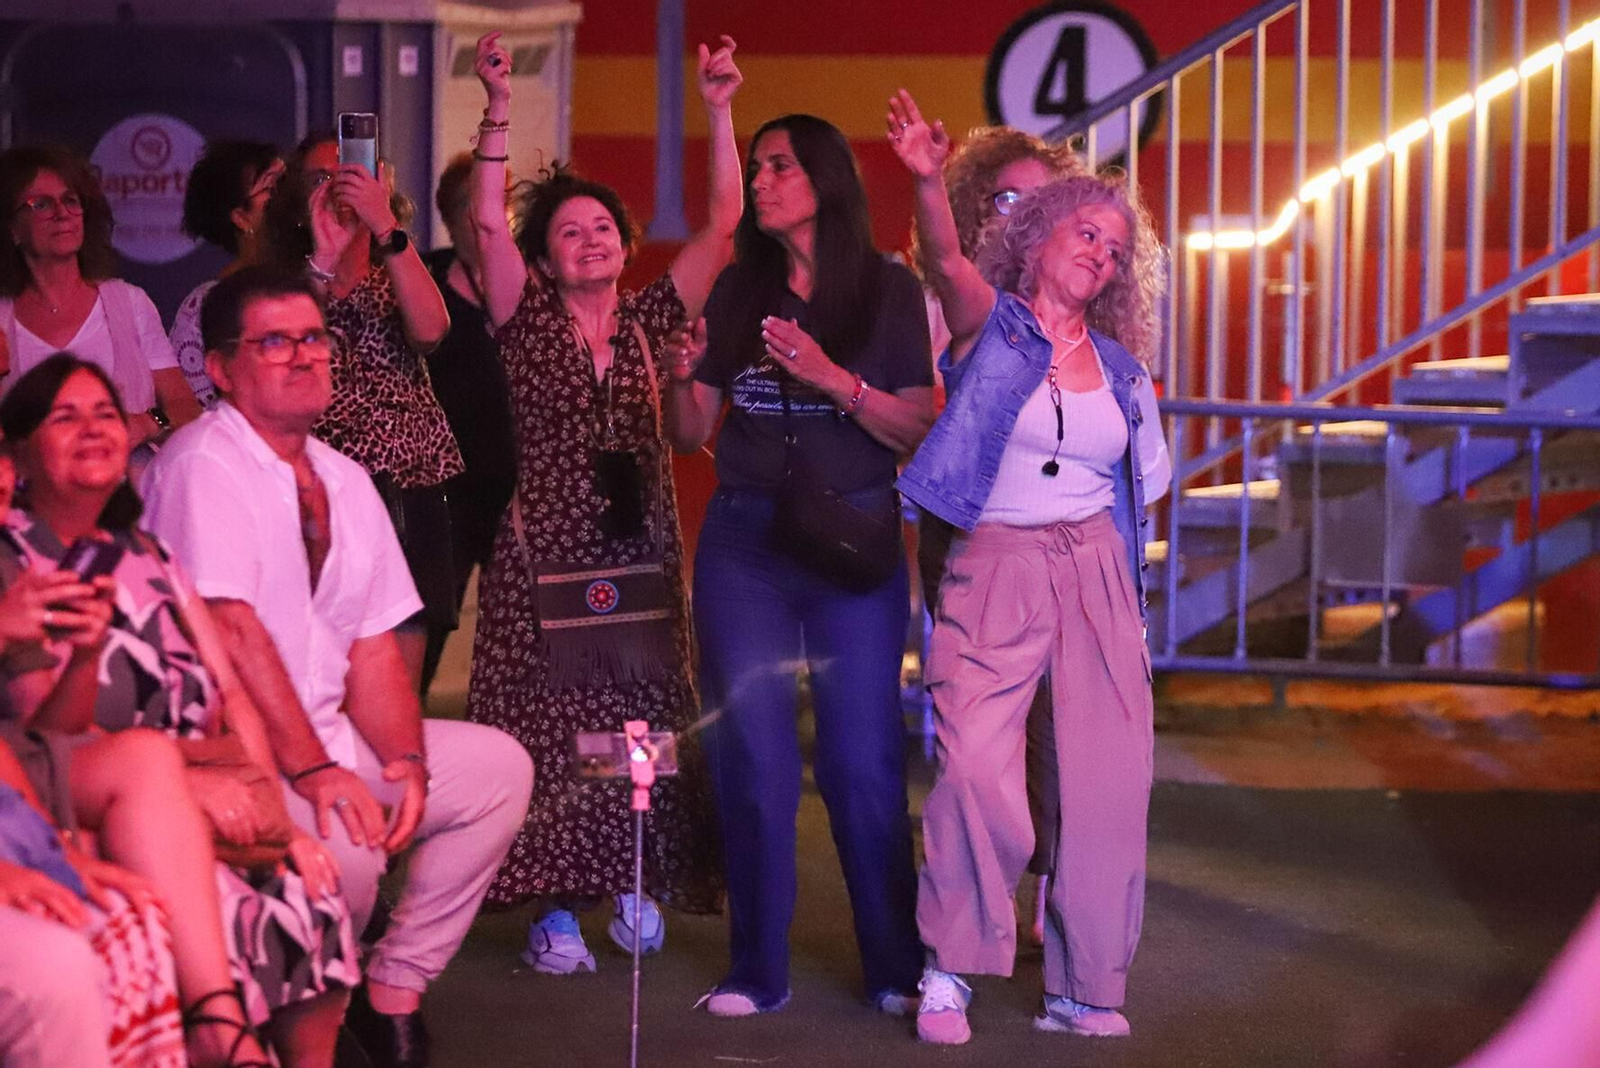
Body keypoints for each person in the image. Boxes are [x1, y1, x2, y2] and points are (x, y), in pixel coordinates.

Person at [140, 266, 533, 1068]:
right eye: (274, 342)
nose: (303, 355)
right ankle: (285, 1026)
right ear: (219, 368)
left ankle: (390, 991)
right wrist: (319, 770)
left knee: (496, 769)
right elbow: (232, 633)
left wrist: (404, 759)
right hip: (233, 757)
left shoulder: (347, 478)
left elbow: (372, 643)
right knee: (347, 853)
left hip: (328, 744)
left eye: (314, 337)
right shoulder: (201, 462)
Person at [887, 89, 1171, 1044]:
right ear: (1041, 235)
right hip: (995, 562)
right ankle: (954, 968)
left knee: (1105, 779)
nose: (1100, 253)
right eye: (1085, 233)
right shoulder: (989, 325)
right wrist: (929, 180)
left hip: (1092, 563)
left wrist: (1117, 597)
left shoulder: (1124, 372)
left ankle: (1084, 985)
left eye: (1115, 249)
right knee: (973, 768)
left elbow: (1145, 488)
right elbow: (944, 260)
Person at [462, 30, 737, 973]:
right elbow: (488, 226)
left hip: (640, 559)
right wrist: (498, 104)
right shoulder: (523, 315)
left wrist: (719, 108)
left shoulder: (657, 318)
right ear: (544, 258)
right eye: (569, 231)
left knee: (637, 727)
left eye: (604, 227)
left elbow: (723, 226)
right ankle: (550, 909)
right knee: (541, 727)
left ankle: (630, 873)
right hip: (542, 563)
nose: (591, 238)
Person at [0, 354, 359, 1067]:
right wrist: (191, 788)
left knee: (308, 889)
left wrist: (275, 816)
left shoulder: (146, 554)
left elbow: (234, 702)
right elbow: (53, 742)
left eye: (105, 413)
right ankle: (223, 1032)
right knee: (217, 902)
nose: (93, 429)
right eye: (64, 418)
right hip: (128, 796)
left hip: (181, 782)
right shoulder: (14, 558)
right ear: (19, 458)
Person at [660, 112, 935, 1017]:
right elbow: (692, 433)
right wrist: (679, 374)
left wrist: (830, 378)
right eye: (755, 164)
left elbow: (916, 429)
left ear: (823, 177)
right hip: (746, 546)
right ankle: (756, 971)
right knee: (754, 757)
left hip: (853, 544)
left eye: (778, 164)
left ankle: (896, 967)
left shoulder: (886, 292)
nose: (764, 178)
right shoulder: (739, 290)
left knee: (860, 762)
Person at [908, 118, 1087, 948]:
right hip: (975, 542)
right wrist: (924, 177)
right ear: (978, 212)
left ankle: (1053, 889)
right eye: (1003, 198)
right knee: (979, 744)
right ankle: (972, 909)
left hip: (1074, 551)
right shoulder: (959, 302)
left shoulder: (1096, 307)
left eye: (1036, 200)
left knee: (1063, 736)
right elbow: (944, 265)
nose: (1019, 214)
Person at [261, 133, 457, 689]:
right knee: (321, 671)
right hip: (317, 494)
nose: (343, 187)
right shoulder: (285, 285)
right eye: (324, 178)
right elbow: (285, 339)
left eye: (358, 173)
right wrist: (324, 257)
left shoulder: (398, 267)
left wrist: (385, 229)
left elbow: (431, 331)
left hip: (408, 489)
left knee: (401, 683)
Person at [0, 145, 201, 441]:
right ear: (12, 229)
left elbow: (187, 409)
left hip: (130, 483)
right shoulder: (2, 317)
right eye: (41, 204)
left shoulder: (130, 304)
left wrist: (146, 423)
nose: (62, 214)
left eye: (71, 200)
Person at [417, 153, 516, 692]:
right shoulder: (421, 279)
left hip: (518, 496)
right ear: (449, 217)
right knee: (426, 630)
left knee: (517, 644)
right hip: (443, 497)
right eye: (471, 207)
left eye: (499, 204)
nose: (486, 218)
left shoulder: (536, 282)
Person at [170, 140, 286, 409]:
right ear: (240, 217)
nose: (288, 197)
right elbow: (190, 413)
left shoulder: (322, 274)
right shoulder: (204, 307)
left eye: (288, 183)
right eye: (272, 188)